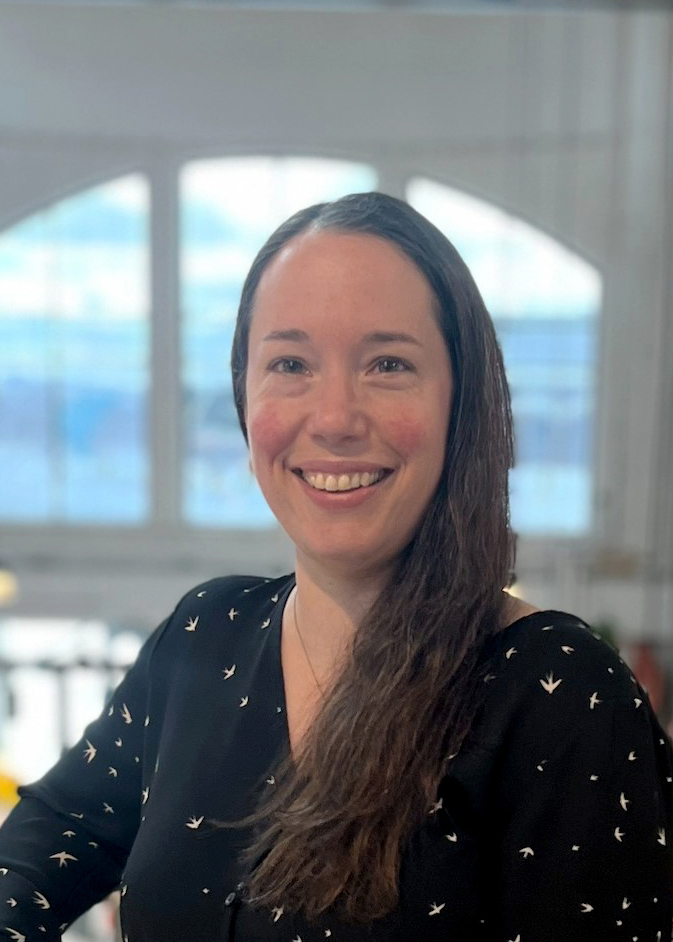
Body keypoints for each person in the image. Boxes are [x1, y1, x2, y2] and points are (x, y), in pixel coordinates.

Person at [0, 191, 671, 942]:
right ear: (244, 396)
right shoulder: (205, 635)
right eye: (290, 364)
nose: (334, 419)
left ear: (462, 403)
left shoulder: (563, 696)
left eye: (388, 364)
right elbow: (40, 845)